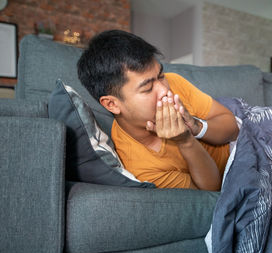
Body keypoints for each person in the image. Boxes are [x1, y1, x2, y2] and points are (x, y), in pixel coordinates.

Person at [77, 30, 239, 191]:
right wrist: (186, 141)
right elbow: (210, 190)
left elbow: (234, 129)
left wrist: (197, 126)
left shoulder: (174, 82)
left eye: (161, 76)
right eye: (147, 88)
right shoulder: (138, 166)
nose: (165, 91)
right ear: (112, 104)